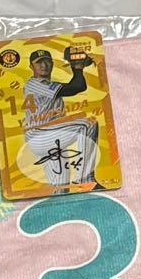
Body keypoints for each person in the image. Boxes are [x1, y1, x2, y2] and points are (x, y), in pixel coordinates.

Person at [21, 48, 99, 188]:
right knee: (88, 124)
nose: (44, 65)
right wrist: (78, 67)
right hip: (41, 135)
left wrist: (78, 67)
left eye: (47, 61)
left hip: (50, 137)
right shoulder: (35, 84)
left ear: (52, 64)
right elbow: (77, 86)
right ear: (31, 66)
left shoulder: (46, 85)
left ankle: (62, 198)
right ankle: (85, 179)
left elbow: (76, 85)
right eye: (39, 62)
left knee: (61, 187)